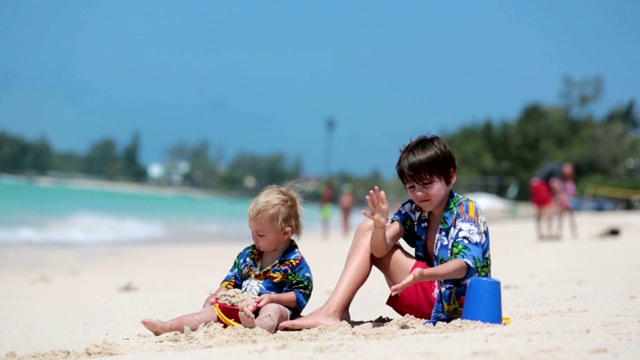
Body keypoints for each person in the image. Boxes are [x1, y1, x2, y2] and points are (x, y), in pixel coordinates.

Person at [279, 135, 491, 330]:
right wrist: (380, 224)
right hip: (427, 289)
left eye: (426, 184)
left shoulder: (465, 211)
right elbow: (379, 250)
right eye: (411, 186)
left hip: (456, 305)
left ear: (451, 175)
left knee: (368, 236)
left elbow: (463, 266)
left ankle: (331, 312)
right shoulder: (414, 210)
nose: (418, 193)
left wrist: (423, 274)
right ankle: (339, 309)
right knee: (368, 227)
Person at [141, 184, 313, 335]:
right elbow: (232, 281)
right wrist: (217, 295)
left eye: (261, 234)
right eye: (252, 232)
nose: (254, 238)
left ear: (285, 233)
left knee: (272, 312)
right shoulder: (248, 255)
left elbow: (300, 294)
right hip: (239, 307)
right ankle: (169, 326)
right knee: (207, 313)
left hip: (272, 308)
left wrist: (273, 299)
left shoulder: (295, 261)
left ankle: (255, 328)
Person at [529, 162, 576, 240]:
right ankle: (549, 232)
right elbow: (554, 183)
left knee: (539, 209)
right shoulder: (559, 169)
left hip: (535, 183)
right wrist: (560, 194)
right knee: (550, 207)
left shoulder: (556, 167)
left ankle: (540, 233)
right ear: (568, 168)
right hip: (541, 184)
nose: (569, 175)